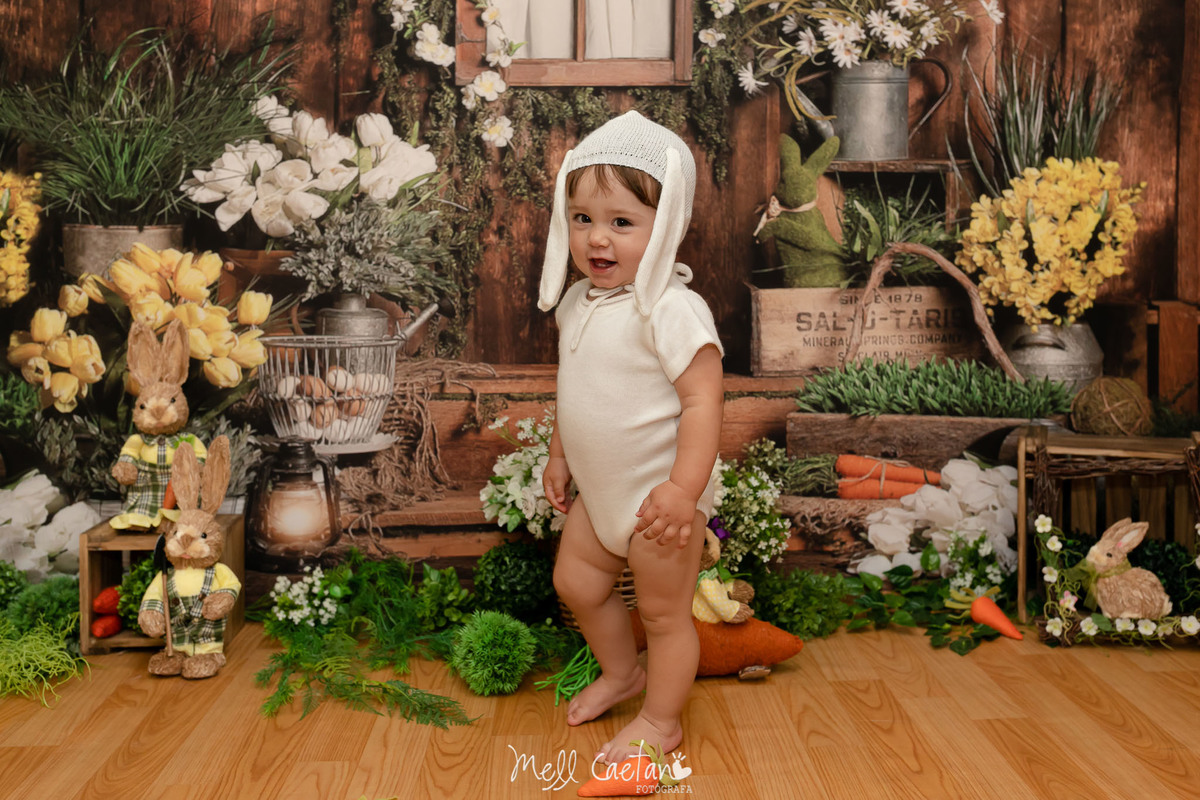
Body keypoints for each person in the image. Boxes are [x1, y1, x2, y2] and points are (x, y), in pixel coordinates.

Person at [538, 110, 724, 766]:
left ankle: (660, 722)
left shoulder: (671, 309)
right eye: (582, 218)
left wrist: (683, 490)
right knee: (577, 582)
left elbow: (703, 401)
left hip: (658, 500)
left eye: (622, 222)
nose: (597, 238)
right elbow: (575, 386)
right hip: (602, 494)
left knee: (664, 614)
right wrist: (559, 454)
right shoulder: (576, 303)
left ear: (665, 224)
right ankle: (622, 673)